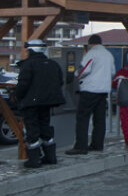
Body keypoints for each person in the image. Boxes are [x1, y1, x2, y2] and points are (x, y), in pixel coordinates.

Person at [16, 39, 64, 167]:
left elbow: (22, 85)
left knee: (32, 130)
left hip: (31, 103)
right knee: (45, 127)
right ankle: (50, 157)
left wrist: (18, 97)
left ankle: (34, 160)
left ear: (31, 50)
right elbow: (60, 82)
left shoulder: (28, 65)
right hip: (47, 102)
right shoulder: (53, 64)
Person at [67, 34, 115, 155]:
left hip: (89, 90)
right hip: (104, 91)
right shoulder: (108, 55)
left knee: (82, 118)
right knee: (99, 119)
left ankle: (80, 146)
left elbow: (84, 69)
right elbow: (113, 72)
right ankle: (97, 145)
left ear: (90, 44)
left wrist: (76, 75)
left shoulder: (91, 53)